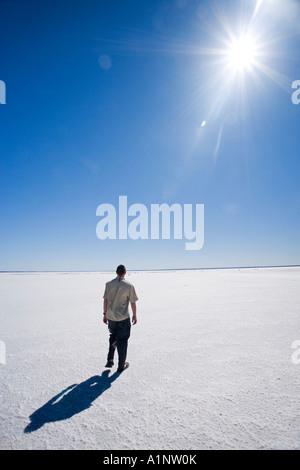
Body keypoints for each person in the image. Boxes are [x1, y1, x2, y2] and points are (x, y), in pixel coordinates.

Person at [102, 265, 138, 372]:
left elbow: (105, 300)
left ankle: (110, 359)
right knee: (122, 341)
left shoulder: (108, 284)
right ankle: (121, 366)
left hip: (111, 317)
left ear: (116, 272)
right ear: (125, 272)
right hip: (123, 318)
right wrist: (135, 315)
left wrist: (105, 314)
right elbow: (132, 302)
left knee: (113, 336)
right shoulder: (129, 286)